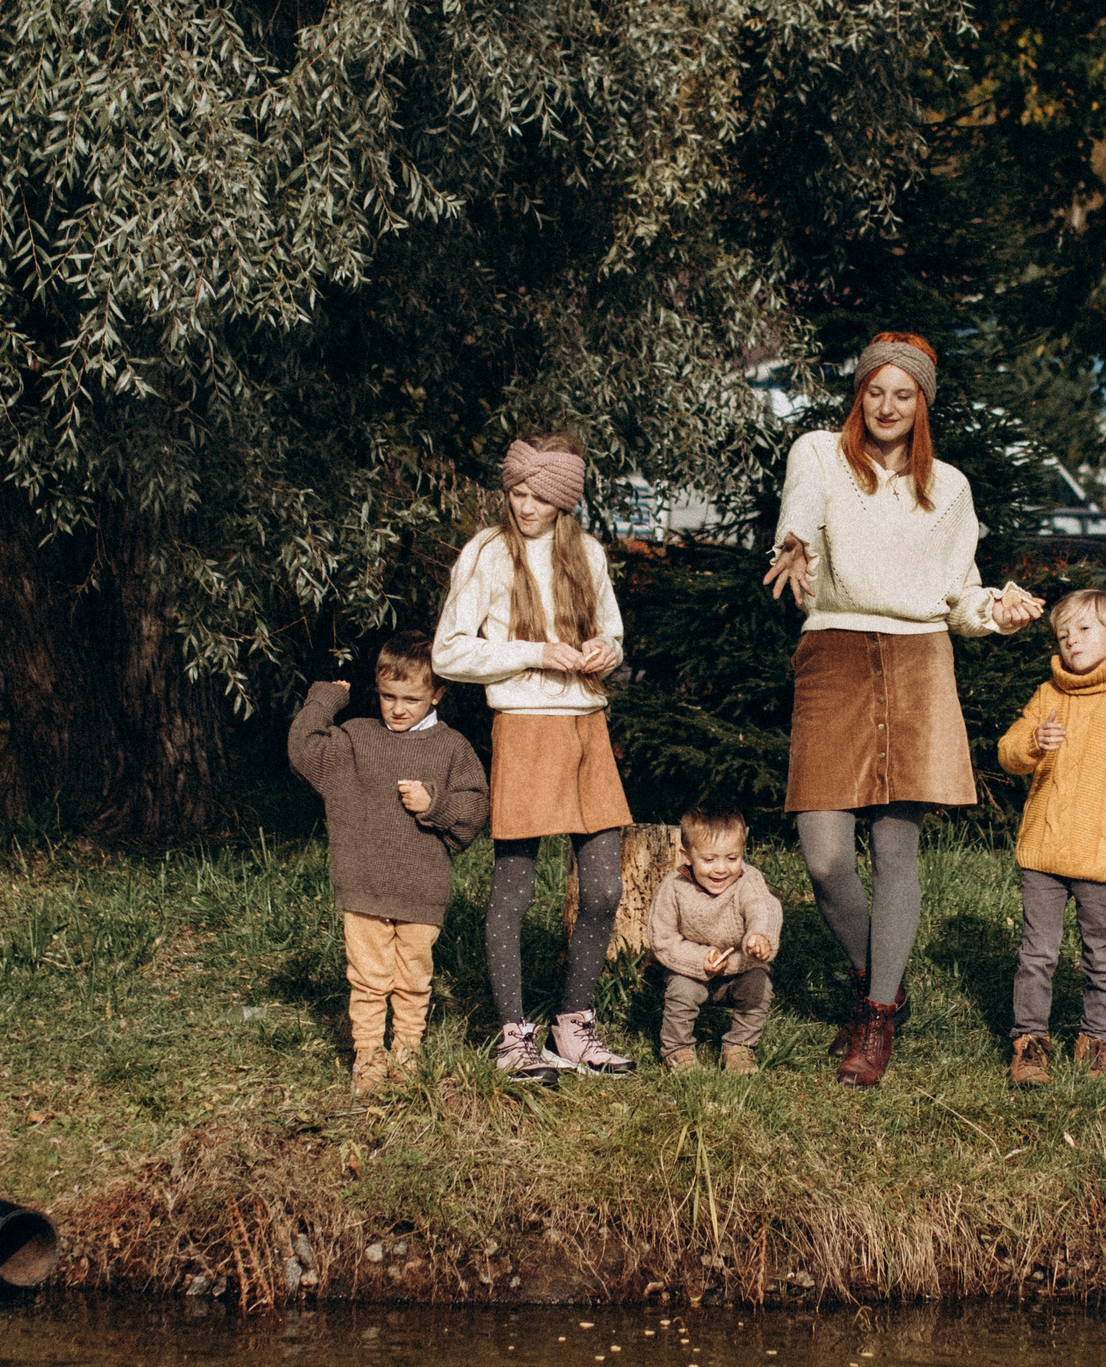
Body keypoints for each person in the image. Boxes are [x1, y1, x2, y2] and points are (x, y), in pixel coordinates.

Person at [763, 332, 1045, 1086]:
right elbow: (801, 506)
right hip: (833, 653)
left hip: (920, 658)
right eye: (875, 391)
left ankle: (877, 1015)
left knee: (896, 853)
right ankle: (878, 979)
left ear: (922, 404)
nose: (887, 406)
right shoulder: (818, 453)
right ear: (859, 395)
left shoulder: (947, 485)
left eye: (904, 394)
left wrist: (1000, 610)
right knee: (824, 856)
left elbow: (960, 591)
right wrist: (792, 542)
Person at [433, 434, 635, 1085]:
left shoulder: (589, 552)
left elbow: (613, 629)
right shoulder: (487, 552)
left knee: (603, 888)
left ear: (563, 499)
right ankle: (514, 1037)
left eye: (538, 496)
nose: (524, 505)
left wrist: (607, 650)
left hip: (588, 730)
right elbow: (448, 653)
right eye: (516, 493)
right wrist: (532, 652)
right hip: (523, 728)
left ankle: (573, 1027)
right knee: (514, 889)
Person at [287, 632, 489, 1095]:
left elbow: (475, 809)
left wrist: (433, 804)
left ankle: (408, 1051)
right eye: (387, 697)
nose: (398, 709)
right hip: (362, 884)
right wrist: (325, 700)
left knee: (414, 977)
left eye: (412, 699)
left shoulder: (452, 747)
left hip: (422, 889)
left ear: (438, 693)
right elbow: (302, 748)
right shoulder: (355, 739)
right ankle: (369, 1055)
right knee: (368, 977)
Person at [995, 588, 1106, 1086]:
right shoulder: (1048, 695)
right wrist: (1033, 743)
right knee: (1037, 954)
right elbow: (1007, 751)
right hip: (1044, 854)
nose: (1072, 641)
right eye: (1063, 633)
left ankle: (1096, 1042)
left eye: (1084, 629)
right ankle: (1030, 1044)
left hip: (1101, 859)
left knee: (1101, 955)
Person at [646, 800, 783, 1074]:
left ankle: (740, 1046)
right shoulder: (674, 888)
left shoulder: (749, 881)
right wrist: (698, 959)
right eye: (709, 860)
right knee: (681, 993)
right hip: (691, 972)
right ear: (688, 856)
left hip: (738, 969)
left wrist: (759, 937)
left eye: (732, 858)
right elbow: (662, 939)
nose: (721, 869)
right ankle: (677, 1050)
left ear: (743, 852)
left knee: (759, 986)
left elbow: (763, 909)